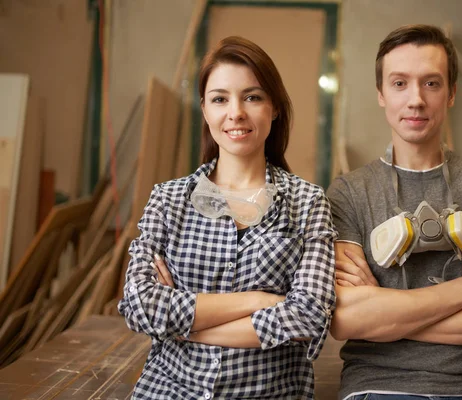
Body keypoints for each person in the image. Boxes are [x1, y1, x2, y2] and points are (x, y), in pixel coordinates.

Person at [326, 24, 462, 400]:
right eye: (399, 84)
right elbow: (346, 318)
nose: (415, 99)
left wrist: (389, 318)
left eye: (431, 83)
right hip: (377, 387)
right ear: (381, 94)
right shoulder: (349, 193)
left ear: (452, 93)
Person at [118, 36, 337, 399]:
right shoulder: (169, 199)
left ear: (275, 107)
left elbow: (309, 315)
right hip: (169, 390)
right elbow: (140, 305)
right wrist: (260, 299)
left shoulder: (307, 202)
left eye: (252, 97)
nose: (235, 112)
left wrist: (182, 325)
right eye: (220, 99)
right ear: (205, 110)